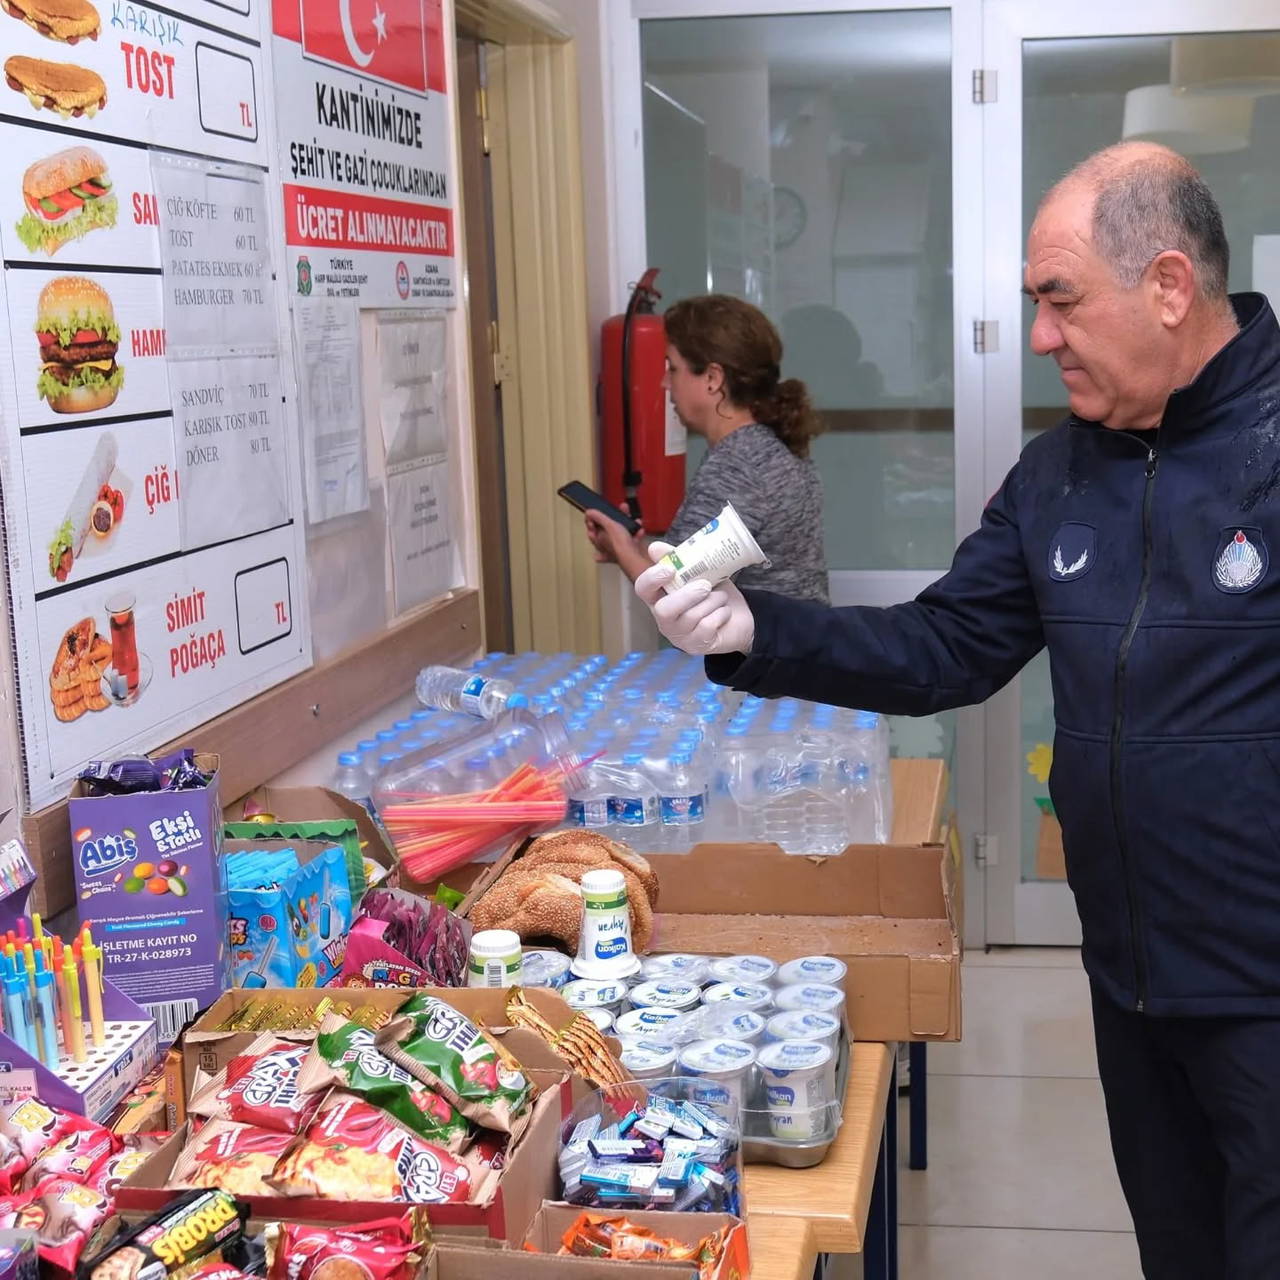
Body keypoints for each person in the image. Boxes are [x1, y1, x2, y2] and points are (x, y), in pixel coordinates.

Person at [636, 141, 1280, 1279]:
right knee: (1181, 1251)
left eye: (1060, 300)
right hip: (1130, 974)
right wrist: (752, 631)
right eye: (1034, 303)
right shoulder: (1060, 472)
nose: (1038, 335)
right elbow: (943, 645)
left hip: (1265, 986)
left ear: (1170, 286)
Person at [583, 294, 829, 602]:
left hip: (769, 635)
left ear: (713, 378)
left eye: (672, 368)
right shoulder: (765, 447)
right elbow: (692, 568)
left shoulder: (737, 466)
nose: (664, 383)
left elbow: (676, 596)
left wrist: (620, 548)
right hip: (795, 632)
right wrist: (636, 548)